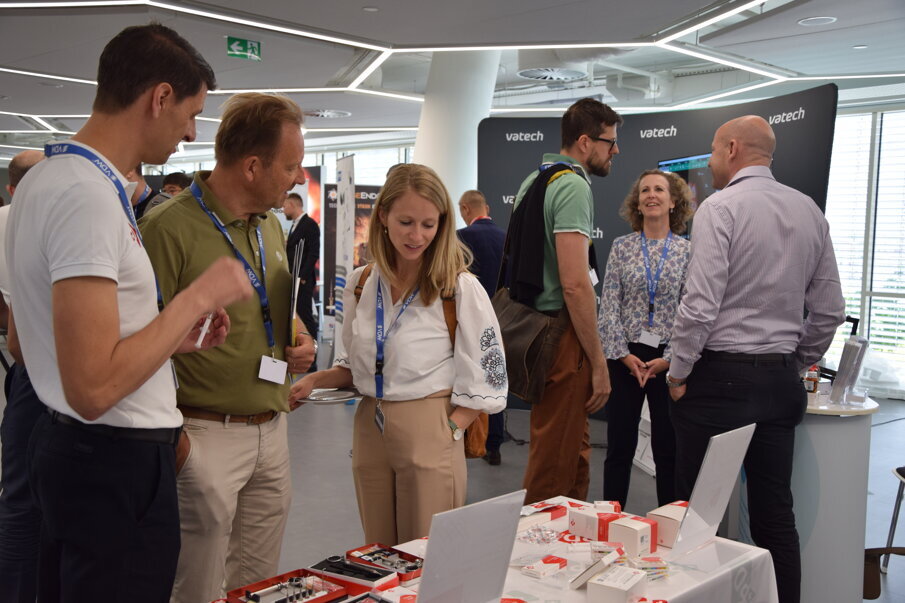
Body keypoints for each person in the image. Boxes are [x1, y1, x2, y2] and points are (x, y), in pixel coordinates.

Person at [6, 23, 253, 602]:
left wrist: (172, 337)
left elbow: (49, 339)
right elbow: (93, 386)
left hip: (79, 450)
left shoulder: (48, 179)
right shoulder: (86, 197)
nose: (191, 133)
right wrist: (198, 295)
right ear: (159, 97)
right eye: (191, 112)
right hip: (111, 463)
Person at [140, 92, 315, 603]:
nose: (297, 178)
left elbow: (279, 305)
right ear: (253, 165)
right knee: (194, 585)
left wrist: (299, 336)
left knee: (260, 584)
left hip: (272, 429)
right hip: (203, 433)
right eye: (290, 166)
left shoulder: (269, 226)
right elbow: (137, 340)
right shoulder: (167, 229)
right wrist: (179, 445)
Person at [667, 115, 845, 603]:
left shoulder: (719, 209)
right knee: (774, 517)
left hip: (717, 382)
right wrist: (793, 361)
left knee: (694, 518)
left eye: (710, 151)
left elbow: (700, 306)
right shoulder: (809, 210)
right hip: (778, 386)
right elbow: (830, 310)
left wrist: (678, 372)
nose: (707, 161)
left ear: (730, 149)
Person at [289, 164, 507, 545]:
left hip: (431, 426)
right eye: (406, 221)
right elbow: (352, 364)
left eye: (429, 224)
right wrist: (312, 381)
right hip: (370, 427)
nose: (416, 235)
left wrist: (451, 429)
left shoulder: (458, 287)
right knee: (379, 553)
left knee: (424, 557)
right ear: (383, 217)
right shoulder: (360, 285)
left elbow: (489, 372)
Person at [513, 97, 620, 504]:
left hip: (539, 334)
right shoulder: (572, 185)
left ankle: (570, 543)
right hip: (563, 337)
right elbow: (575, 284)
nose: (615, 151)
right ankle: (537, 553)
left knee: (571, 448)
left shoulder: (535, 180)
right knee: (553, 464)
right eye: (609, 142)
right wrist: (598, 362)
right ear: (583, 141)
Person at [597, 169, 693, 510]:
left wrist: (671, 359)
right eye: (645, 190)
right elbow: (608, 306)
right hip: (626, 359)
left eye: (659, 190)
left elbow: (691, 310)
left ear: (673, 201)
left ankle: (670, 528)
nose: (651, 195)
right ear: (637, 202)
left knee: (668, 450)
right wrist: (623, 355)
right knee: (619, 447)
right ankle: (609, 523)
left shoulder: (686, 251)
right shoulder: (621, 247)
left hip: (668, 360)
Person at [0, 149, 44, 603]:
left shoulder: (9, 219)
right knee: (30, 502)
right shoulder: (33, 222)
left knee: (20, 498)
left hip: (27, 371)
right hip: (43, 371)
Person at [456, 189, 506, 465]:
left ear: (465, 209)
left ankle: (467, 438)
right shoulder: (506, 238)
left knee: (469, 377)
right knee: (495, 377)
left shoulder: (461, 238)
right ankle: (494, 444)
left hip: (468, 322)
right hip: (502, 320)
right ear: (486, 207)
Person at [284, 190, 321, 369]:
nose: (283, 209)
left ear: (292, 205)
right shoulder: (295, 225)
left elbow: (313, 253)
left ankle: (312, 360)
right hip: (294, 280)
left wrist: (302, 277)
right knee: (297, 317)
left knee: (306, 318)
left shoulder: (310, 225)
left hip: (302, 282)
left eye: (285, 206)